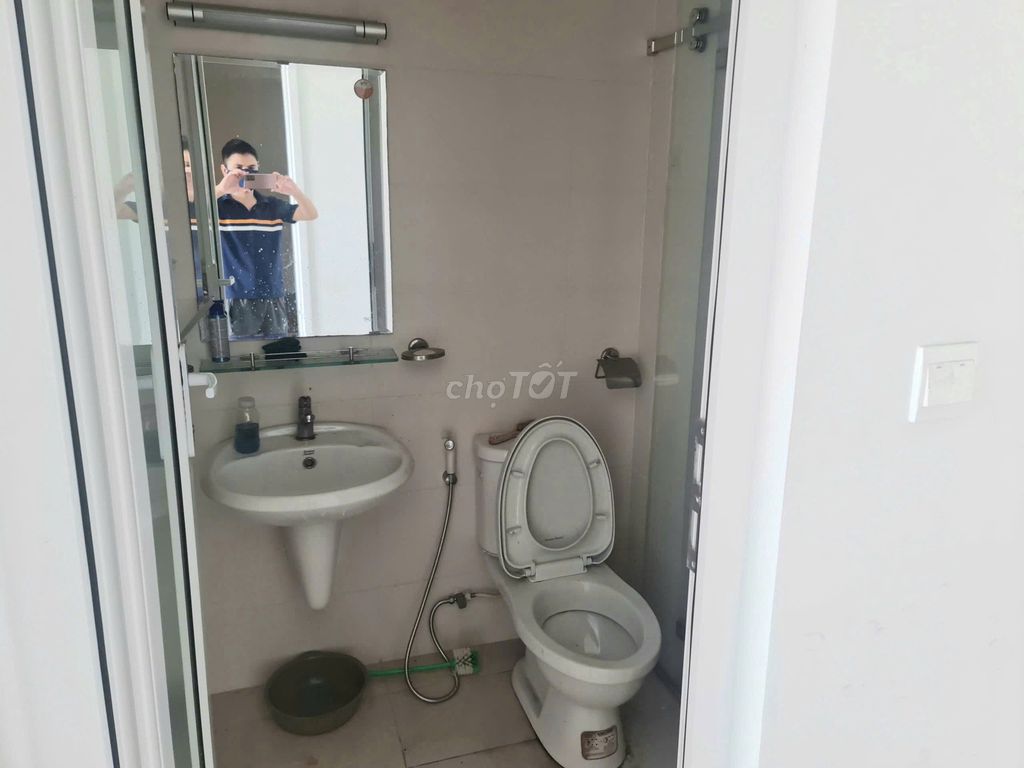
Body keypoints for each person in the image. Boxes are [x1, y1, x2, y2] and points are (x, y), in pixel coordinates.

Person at [215, 137, 318, 338]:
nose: (246, 174)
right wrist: (221, 189)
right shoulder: (218, 206)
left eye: (251, 169)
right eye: (238, 169)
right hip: (235, 296)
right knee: (240, 352)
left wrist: (294, 191)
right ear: (224, 171)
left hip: (273, 294)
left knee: (276, 352)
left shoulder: (271, 206)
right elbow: (191, 211)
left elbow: (311, 214)